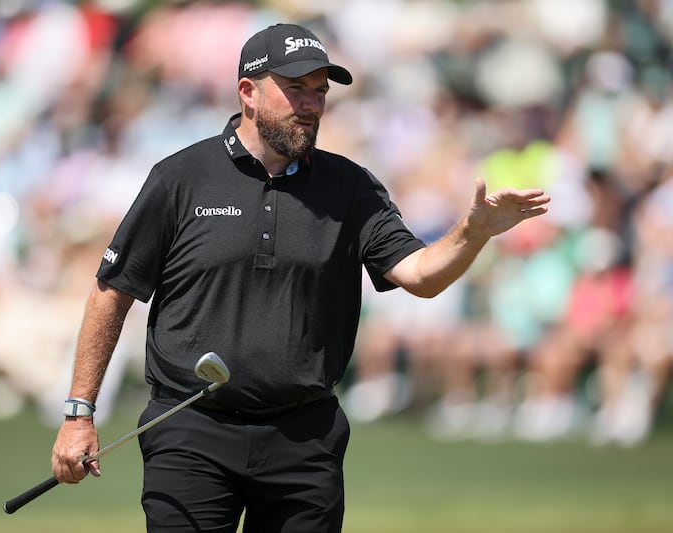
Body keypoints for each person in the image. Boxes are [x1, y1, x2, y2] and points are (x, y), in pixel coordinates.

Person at [51, 23, 550, 533]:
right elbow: (112, 293)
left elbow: (419, 274)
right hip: (190, 430)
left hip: (304, 438)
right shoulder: (181, 178)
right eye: (296, 89)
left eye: (319, 92)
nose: (311, 104)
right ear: (248, 91)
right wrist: (78, 413)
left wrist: (474, 232)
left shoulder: (349, 186)